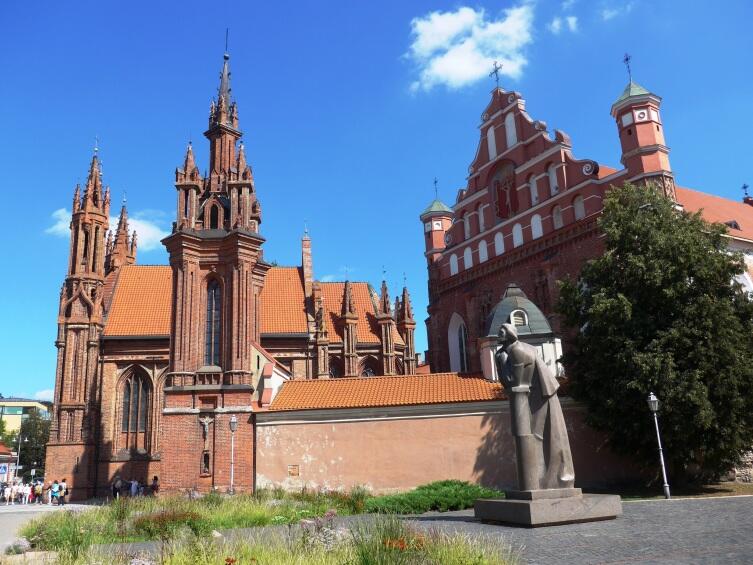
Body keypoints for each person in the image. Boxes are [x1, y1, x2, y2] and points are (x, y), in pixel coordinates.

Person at [496, 323, 575, 490]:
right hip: (534, 395)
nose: (498, 334)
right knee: (537, 436)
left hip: (539, 396)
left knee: (538, 436)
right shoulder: (510, 350)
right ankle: (541, 481)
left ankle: (546, 481)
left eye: (502, 331)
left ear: (510, 334)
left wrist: (502, 362)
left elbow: (514, 382)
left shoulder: (517, 350)